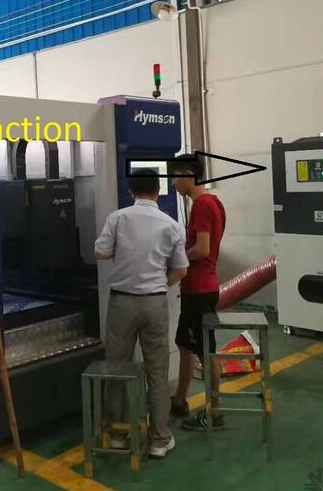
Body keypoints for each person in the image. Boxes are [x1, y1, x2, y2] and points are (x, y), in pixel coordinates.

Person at [93, 168, 188, 459]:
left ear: (131, 191)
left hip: (122, 303)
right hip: (154, 303)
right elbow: (181, 270)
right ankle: (159, 439)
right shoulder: (171, 224)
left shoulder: (118, 218)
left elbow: (100, 252)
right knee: (157, 370)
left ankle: (118, 434)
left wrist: (125, 254)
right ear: (158, 191)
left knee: (117, 367)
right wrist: (159, 282)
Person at [170, 153, 228, 430]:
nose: (173, 183)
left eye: (175, 177)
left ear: (188, 175)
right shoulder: (214, 202)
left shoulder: (202, 205)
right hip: (200, 287)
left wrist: (176, 258)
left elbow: (202, 249)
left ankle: (213, 412)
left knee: (206, 351)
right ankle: (180, 399)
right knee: (185, 344)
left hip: (200, 289)